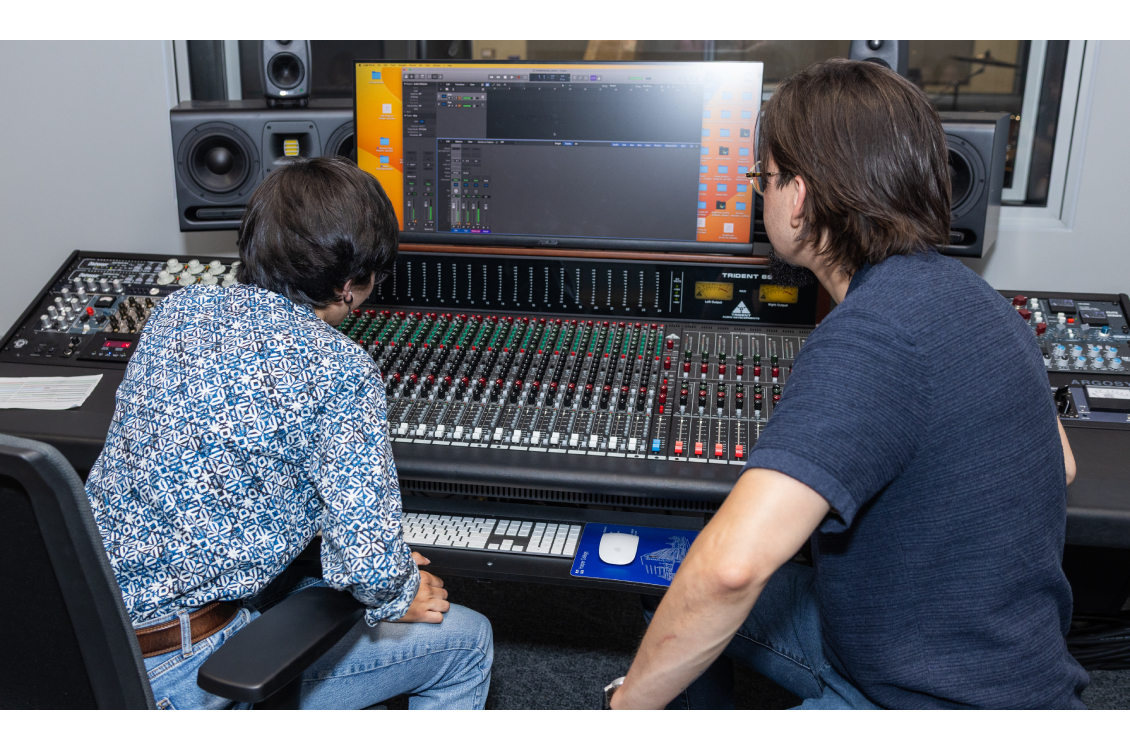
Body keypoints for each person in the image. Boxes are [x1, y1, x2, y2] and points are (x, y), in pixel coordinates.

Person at [609, 60, 1087, 710]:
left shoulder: (871, 333)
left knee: (699, 582)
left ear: (799, 197)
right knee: (670, 581)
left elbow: (731, 570)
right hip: (1013, 673)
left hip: (924, 703)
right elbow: (1059, 464)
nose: (759, 194)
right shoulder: (983, 302)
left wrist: (625, 709)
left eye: (764, 178)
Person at [85, 156, 492, 710]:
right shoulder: (341, 370)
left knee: (309, 587)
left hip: (81, 638)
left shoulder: (175, 313)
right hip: (183, 676)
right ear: (350, 285)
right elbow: (370, 573)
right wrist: (397, 588)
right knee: (467, 643)